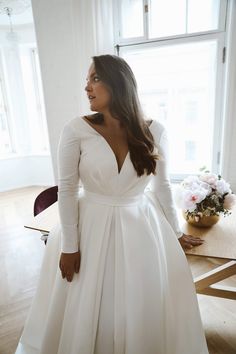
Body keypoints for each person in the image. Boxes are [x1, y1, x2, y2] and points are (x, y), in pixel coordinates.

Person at [16, 54, 209, 354]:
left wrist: (176, 231)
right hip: (89, 226)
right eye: (87, 80)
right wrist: (70, 245)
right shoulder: (76, 129)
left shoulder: (155, 131)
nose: (87, 87)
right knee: (90, 301)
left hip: (141, 228)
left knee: (138, 301)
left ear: (118, 84)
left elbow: (162, 186)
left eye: (95, 78)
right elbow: (67, 189)